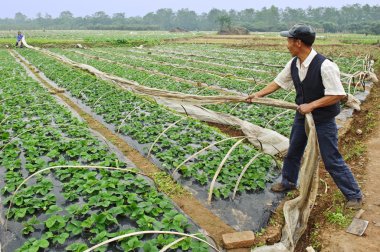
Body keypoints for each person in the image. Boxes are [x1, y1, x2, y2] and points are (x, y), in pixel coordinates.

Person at [246, 24, 363, 209]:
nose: (287, 45)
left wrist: (312, 105)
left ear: (298, 43)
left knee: (331, 157)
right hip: (302, 117)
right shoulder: (294, 63)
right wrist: (258, 95)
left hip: (323, 119)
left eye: (289, 40)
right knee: (293, 151)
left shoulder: (326, 66)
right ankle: (288, 182)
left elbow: (337, 94)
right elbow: (278, 82)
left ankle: (354, 195)